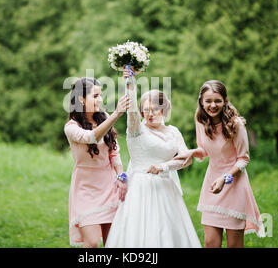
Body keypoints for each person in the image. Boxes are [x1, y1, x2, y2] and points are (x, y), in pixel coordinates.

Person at [105, 67, 202, 248]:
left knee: (167, 233)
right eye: (146, 110)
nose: (150, 114)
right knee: (140, 233)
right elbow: (131, 111)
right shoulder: (137, 130)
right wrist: (130, 84)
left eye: (155, 109)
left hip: (166, 188)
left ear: (164, 110)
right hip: (140, 187)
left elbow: (184, 159)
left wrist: (164, 167)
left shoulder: (174, 132)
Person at [175, 80, 265, 248]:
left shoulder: (235, 124)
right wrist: (193, 152)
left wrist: (225, 178)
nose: (213, 105)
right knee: (210, 242)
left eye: (217, 100)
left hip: (234, 185)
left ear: (225, 101)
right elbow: (205, 150)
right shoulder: (200, 120)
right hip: (212, 185)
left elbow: (243, 159)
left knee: (234, 245)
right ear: (201, 102)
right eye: (208, 101)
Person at [64, 77, 130, 247]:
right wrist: (116, 114)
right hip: (85, 188)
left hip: (108, 186)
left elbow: (114, 152)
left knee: (112, 242)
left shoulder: (104, 118)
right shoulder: (71, 127)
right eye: (95, 96)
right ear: (81, 99)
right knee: (92, 243)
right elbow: (91, 137)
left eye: (100, 95)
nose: (100, 100)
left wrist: (121, 177)